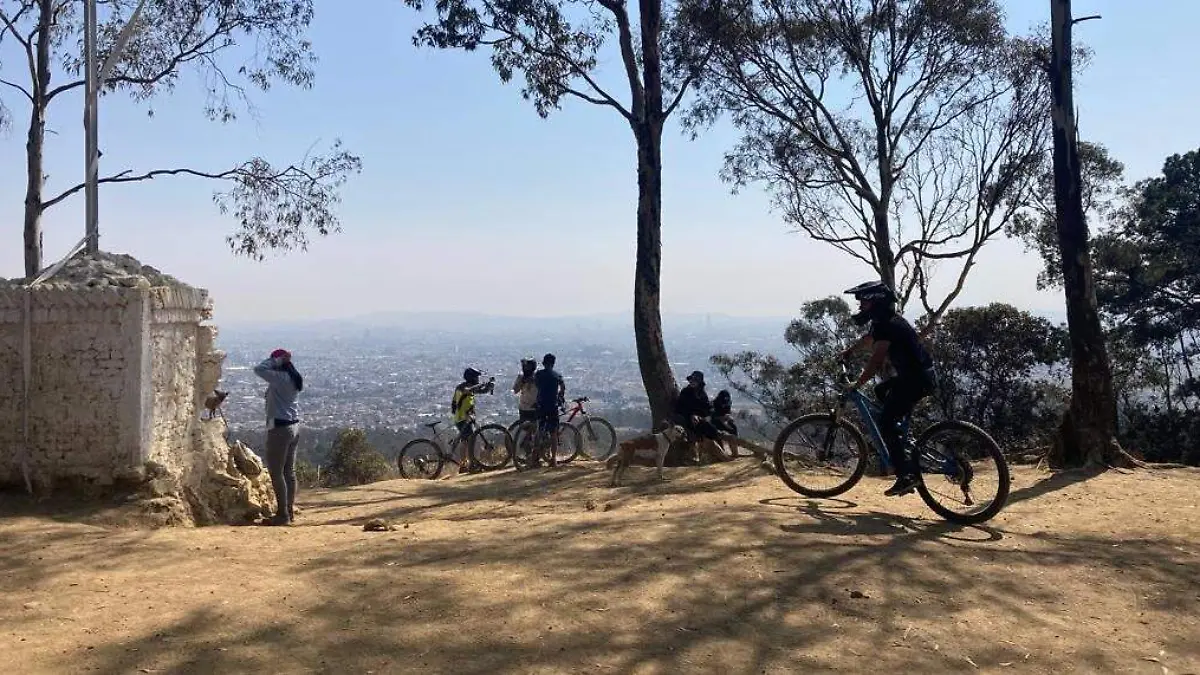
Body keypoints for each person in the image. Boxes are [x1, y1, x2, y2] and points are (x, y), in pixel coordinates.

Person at [838, 280, 938, 497]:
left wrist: (857, 383)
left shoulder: (887, 325)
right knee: (880, 391)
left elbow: (876, 360)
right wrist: (849, 351)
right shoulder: (885, 321)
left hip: (915, 380)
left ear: (876, 302)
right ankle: (899, 433)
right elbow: (869, 339)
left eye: (863, 302)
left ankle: (905, 475)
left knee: (885, 422)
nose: (860, 307)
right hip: (917, 376)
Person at [253, 348, 303, 526]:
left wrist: (275, 360)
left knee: (276, 472)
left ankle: (282, 514)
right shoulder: (294, 378)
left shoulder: (280, 378)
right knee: (289, 472)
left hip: (280, 429)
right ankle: (289, 511)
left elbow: (258, 369)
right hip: (294, 426)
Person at [673, 370, 722, 463]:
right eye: (691, 380)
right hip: (688, 420)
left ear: (699, 382)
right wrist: (691, 415)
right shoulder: (685, 392)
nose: (692, 382)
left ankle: (717, 455)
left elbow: (707, 408)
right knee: (706, 429)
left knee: (712, 430)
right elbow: (679, 408)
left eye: (695, 380)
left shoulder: (702, 394)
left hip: (700, 420)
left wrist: (702, 415)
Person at [451, 367, 494, 472]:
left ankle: (464, 465)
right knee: (469, 440)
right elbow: (475, 390)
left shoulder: (463, 386)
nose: (478, 379)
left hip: (463, 417)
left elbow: (480, 391)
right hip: (462, 418)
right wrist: (486, 385)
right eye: (477, 377)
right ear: (472, 378)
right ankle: (471, 465)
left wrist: (488, 386)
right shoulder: (465, 387)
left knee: (465, 441)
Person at [533, 353, 566, 468]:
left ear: (543, 363)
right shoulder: (557, 375)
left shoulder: (539, 374)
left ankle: (535, 457)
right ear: (553, 363)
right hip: (552, 406)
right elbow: (563, 387)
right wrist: (560, 396)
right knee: (553, 433)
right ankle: (553, 459)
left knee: (539, 430)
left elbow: (536, 385)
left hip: (541, 405)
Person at [512, 357, 539, 425]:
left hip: (534, 407)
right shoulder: (521, 376)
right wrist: (523, 382)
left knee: (535, 427)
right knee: (525, 428)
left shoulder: (537, 376)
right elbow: (515, 390)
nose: (525, 368)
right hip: (524, 407)